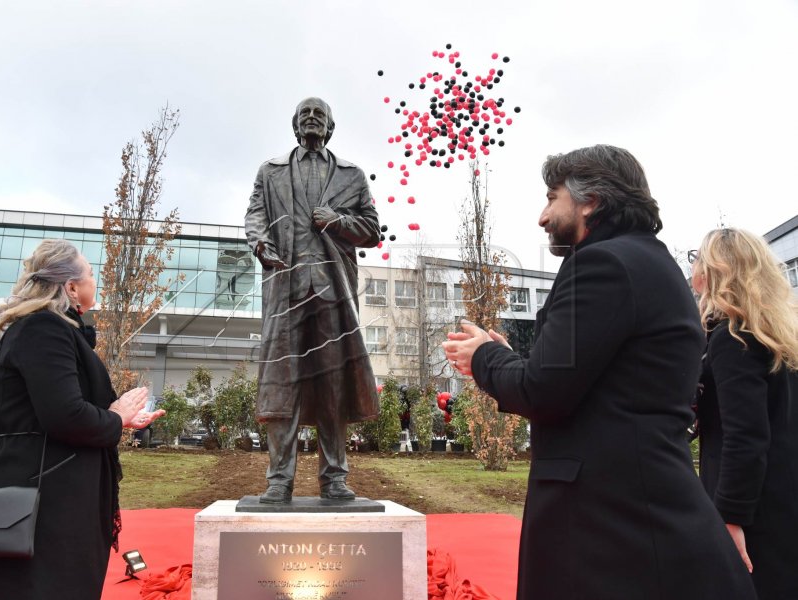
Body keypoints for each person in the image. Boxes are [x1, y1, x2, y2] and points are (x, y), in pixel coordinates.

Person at [442, 145, 756, 599]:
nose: (542, 216)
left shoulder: (601, 264)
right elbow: (587, 379)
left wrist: (484, 359)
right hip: (636, 515)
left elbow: (542, 391)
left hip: (608, 527)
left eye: (552, 197)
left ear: (592, 200)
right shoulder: (649, 262)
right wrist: (509, 357)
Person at [0, 239, 165, 600]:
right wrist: (113, 417)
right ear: (72, 287)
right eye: (92, 275)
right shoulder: (43, 329)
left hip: (49, 488)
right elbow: (65, 415)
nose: (98, 283)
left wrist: (124, 419)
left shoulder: (52, 330)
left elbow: (64, 406)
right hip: (42, 499)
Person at [245, 97, 380, 503]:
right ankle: (279, 480)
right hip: (285, 291)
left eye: (319, 114)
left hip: (331, 293)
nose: (311, 119)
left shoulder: (352, 176)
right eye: (304, 114)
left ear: (331, 127)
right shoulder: (270, 173)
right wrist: (261, 245)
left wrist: (337, 221)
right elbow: (254, 216)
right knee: (280, 383)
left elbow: (372, 230)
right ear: (294, 125)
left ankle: (334, 477)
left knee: (333, 383)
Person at [690, 228, 798, 599]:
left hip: (754, 511)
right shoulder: (778, 336)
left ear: (713, 271)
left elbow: (745, 435)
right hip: (782, 494)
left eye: (697, 259)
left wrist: (730, 517)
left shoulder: (733, 337)